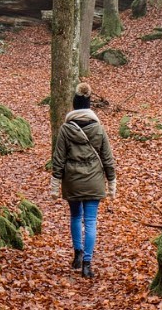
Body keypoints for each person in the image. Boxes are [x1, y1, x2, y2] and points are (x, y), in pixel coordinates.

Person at [49, 82, 117, 278]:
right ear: (89, 106)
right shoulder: (98, 129)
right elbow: (107, 158)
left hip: (72, 180)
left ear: (74, 105)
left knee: (75, 217)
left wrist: (55, 185)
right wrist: (111, 183)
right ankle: (87, 264)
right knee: (91, 221)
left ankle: (77, 254)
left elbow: (58, 159)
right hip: (94, 181)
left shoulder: (65, 129)